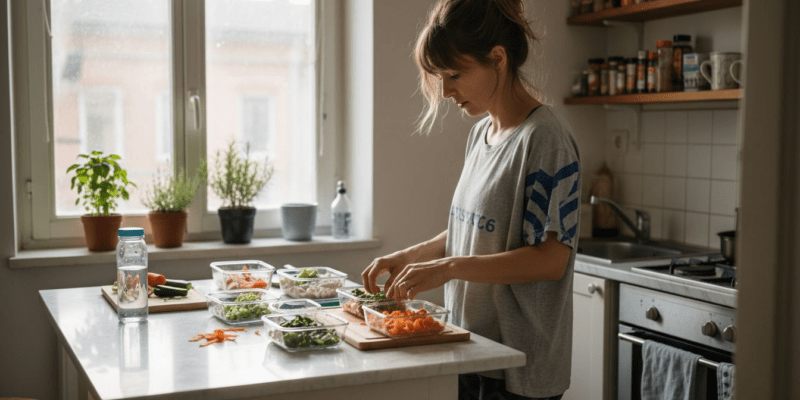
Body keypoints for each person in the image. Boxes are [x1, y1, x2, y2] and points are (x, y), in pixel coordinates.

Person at [361, 0, 580, 399]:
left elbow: (551, 260)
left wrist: (448, 268)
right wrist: (411, 256)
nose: (445, 91)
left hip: (517, 367)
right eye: (440, 77)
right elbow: (476, 227)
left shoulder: (545, 140)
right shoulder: (481, 135)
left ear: (498, 58)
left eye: (455, 74)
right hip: (471, 348)